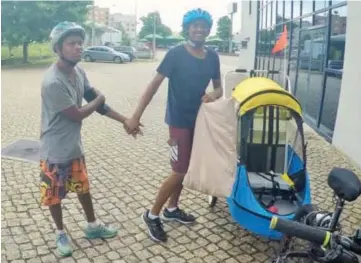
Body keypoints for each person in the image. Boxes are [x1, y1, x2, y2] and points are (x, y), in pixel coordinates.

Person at [39, 21, 142, 257]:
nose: (78, 47)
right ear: (58, 48)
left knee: (83, 188)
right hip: (54, 149)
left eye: (80, 43)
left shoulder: (78, 71)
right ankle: (60, 232)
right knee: (54, 195)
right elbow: (78, 114)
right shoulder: (52, 81)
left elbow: (97, 103)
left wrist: (125, 120)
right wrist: (99, 98)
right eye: (71, 44)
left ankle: (93, 226)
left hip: (73, 146)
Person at [124, 8, 223, 242]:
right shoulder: (176, 53)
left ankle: (172, 209)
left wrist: (213, 95)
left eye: (204, 26)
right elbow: (154, 84)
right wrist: (136, 115)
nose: (200, 29)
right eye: (195, 25)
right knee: (179, 170)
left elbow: (219, 87)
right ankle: (152, 214)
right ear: (187, 28)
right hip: (178, 121)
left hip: (200, 120)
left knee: (186, 168)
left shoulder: (213, 56)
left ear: (209, 30)